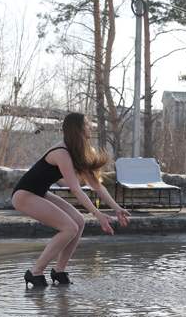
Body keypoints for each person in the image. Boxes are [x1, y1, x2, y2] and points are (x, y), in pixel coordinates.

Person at [12, 112, 130, 287]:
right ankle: (35, 272)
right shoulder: (62, 152)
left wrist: (117, 208)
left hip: (39, 192)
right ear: (79, 128)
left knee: (79, 222)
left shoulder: (78, 152)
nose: (91, 127)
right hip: (24, 195)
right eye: (88, 124)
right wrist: (98, 215)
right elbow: (75, 189)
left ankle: (59, 271)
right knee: (69, 227)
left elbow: (96, 185)